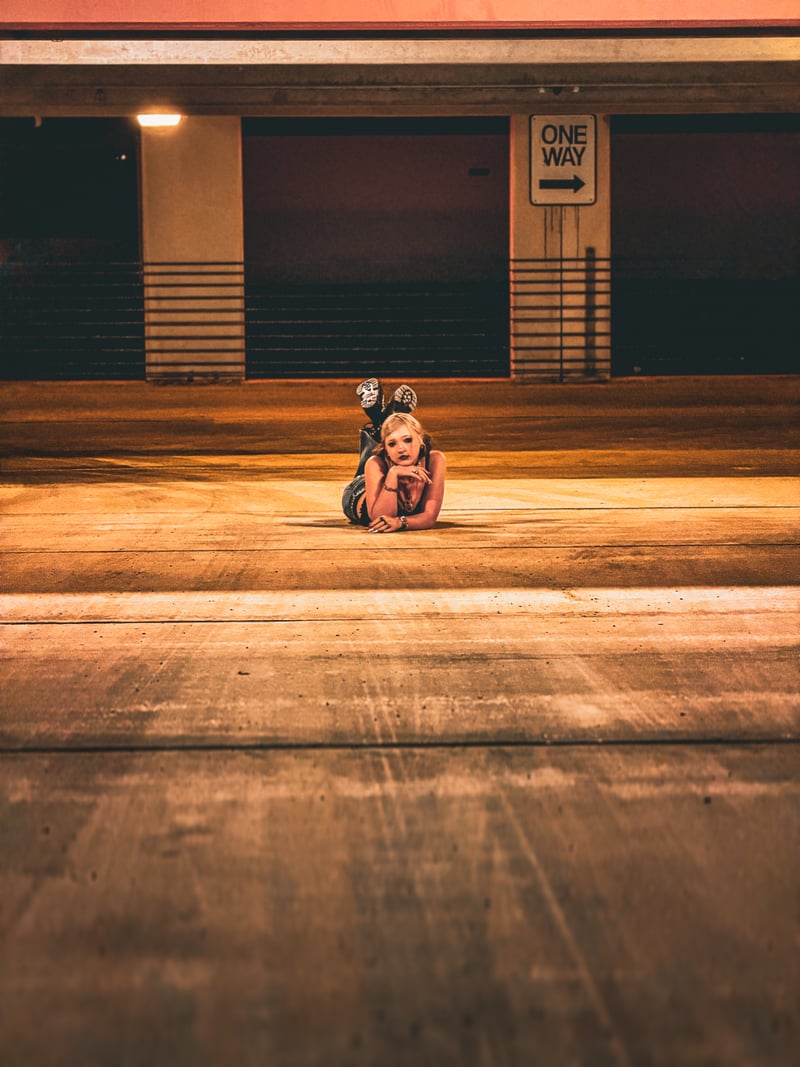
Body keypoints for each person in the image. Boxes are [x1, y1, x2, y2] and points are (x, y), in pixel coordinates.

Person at [341, 378, 446, 533]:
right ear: (386, 450)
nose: (401, 449)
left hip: (387, 464)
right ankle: (387, 417)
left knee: (386, 432)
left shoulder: (435, 460)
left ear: (421, 440)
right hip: (359, 490)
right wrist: (393, 473)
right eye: (392, 444)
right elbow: (382, 517)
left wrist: (400, 522)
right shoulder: (375, 463)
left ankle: (382, 418)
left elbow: (429, 517)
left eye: (408, 440)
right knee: (373, 457)